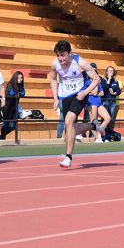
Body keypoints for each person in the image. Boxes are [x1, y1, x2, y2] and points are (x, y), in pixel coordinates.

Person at [49, 40, 103, 168]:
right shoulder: (55, 64)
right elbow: (52, 79)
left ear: (70, 53)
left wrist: (85, 92)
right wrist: (55, 98)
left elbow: (97, 79)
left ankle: (68, 157)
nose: (60, 58)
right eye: (58, 55)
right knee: (71, 128)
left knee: (68, 121)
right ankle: (93, 126)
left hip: (79, 94)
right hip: (65, 95)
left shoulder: (80, 63)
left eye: (63, 55)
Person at [84, 62, 113, 142]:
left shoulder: (98, 80)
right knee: (93, 121)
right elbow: (94, 92)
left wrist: (92, 92)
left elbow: (101, 93)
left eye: (94, 69)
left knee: (107, 118)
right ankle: (97, 138)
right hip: (91, 102)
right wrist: (92, 92)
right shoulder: (87, 81)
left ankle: (99, 133)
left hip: (98, 102)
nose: (93, 71)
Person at [0, 71, 26, 140]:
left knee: (14, 124)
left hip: (14, 107)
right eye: (18, 78)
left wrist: (18, 93)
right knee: (6, 123)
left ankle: (1, 136)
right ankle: (2, 137)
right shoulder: (10, 84)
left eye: (21, 78)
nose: (20, 79)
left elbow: (23, 93)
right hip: (7, 107)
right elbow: (12, 94)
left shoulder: (21, 85)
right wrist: (18, 93)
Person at [102, 65, 122, 135]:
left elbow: (119, 91)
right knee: (105, 117)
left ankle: (109, 132)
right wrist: (108, 80)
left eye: (112, 71)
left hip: (113, 101)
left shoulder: (115, 81)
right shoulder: (104, 80)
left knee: (111, 117)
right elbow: (104, 89)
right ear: (106, 72)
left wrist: (114, 93)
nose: (110, 72)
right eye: (109, 71)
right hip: (105, 100)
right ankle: (103, 132)